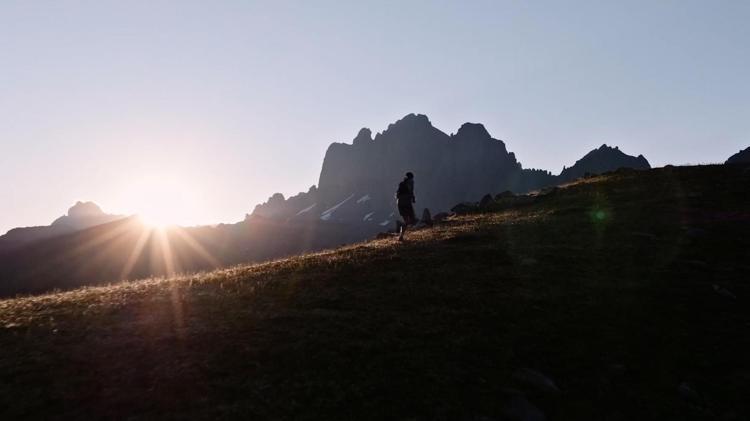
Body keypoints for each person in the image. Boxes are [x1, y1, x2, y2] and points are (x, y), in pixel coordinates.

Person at [395, 172, 416, 241]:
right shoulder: (402, 185)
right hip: (403, 204)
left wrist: (412, 198)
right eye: (411, 178)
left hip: (406, 204)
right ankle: (401, 235)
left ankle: (401, 233)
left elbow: (411, 192)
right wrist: (409, 197)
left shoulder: (410, 184)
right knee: (408, 221)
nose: (412, 180)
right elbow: (398, 195)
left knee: (411, 220)